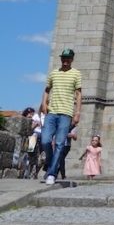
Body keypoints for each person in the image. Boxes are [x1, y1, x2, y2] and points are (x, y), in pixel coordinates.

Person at [40, 48, 82, 186]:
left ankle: (51, 173)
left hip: (66, 113)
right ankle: (51, 162)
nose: (65, 61)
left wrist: (77, 112)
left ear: (72, 59)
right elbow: (47, 89)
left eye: (68, 58)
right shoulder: (53, 73)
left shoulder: (76, 74)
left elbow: (78, 94)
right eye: (63, 58)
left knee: (59, 144)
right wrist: (44, 103)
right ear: (61, 59)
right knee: (45, 140)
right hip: (52, 112)